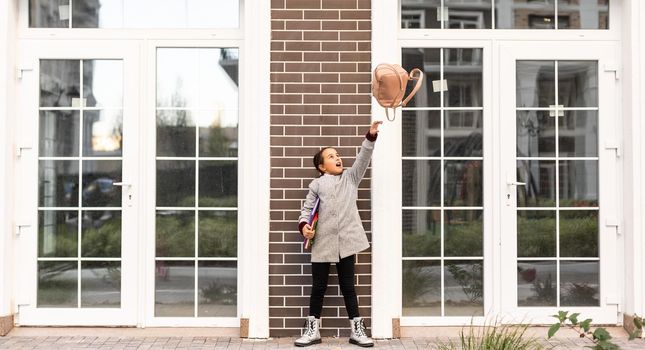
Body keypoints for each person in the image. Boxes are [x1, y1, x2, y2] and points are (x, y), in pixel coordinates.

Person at [294, 120, 382, 348]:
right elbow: (306, 211)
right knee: (318, 286)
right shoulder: (316, 185)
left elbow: (363, 159)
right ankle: (312, 329)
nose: (338, 158)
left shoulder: (351, 179)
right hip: (322, 242)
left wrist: (370, 136)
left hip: (347, 243)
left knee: (348, 286)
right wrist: (304, 227)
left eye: (338, 155)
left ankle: (357, 330)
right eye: (331, 156)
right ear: (322, 166)